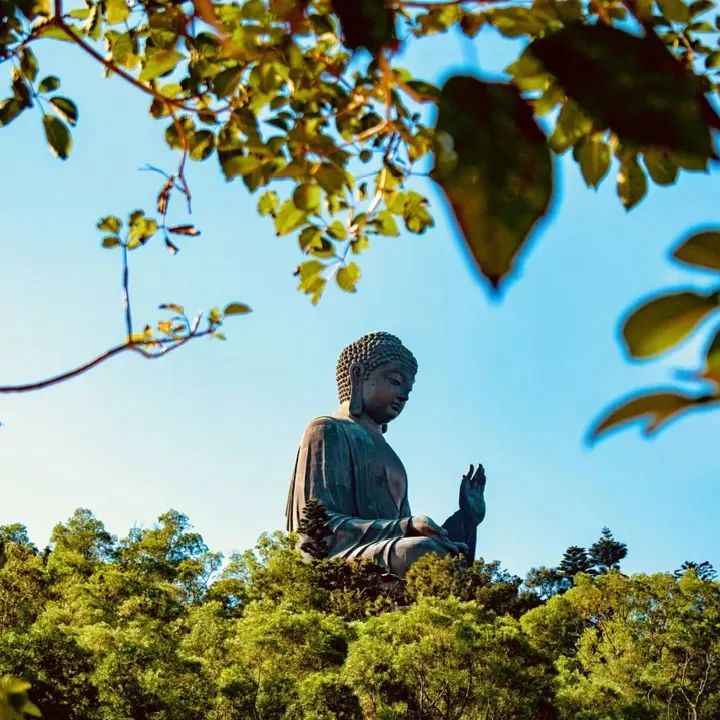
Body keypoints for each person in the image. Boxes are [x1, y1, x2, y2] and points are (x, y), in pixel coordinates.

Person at [286, 331, 487, 576]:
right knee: (422, 552)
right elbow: (316, 529)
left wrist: (466, 519)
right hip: (338, 559)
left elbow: (410, 534)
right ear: (357, 374)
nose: (403, 396)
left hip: (382, 551)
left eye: (408, 391)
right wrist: (406, 526)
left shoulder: (391, 457)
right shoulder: (327, 429)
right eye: (395, 382)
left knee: (444, 556)